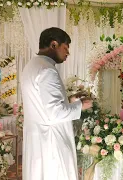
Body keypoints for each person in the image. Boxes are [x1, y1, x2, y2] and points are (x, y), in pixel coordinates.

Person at [21, 27, 93, 180]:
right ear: (54, 44)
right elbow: (54, 114)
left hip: (38, 139)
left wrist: (70, 101)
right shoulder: (47, 70)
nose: (68, 53)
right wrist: (81, 105)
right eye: (65, 47)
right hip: (51, 143)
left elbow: (42, 105)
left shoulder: (32, 65)